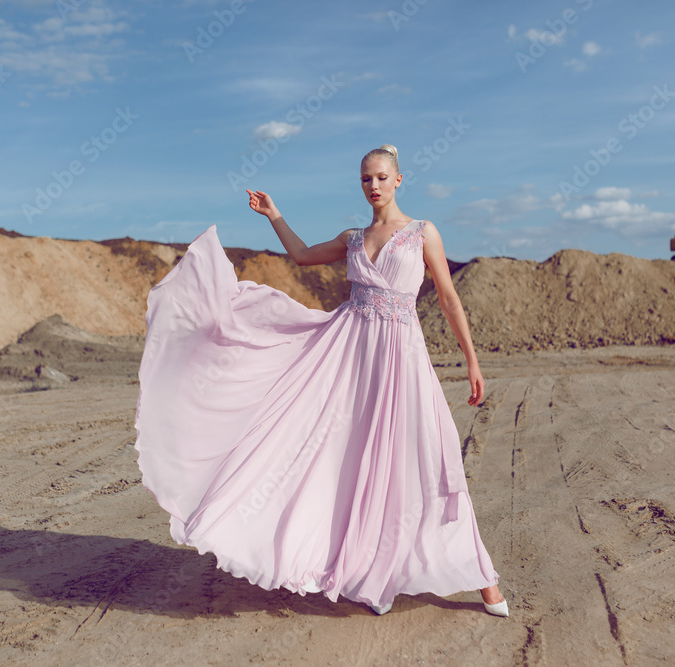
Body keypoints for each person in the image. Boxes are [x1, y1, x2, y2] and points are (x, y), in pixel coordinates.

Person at [134, 143, 507, 617]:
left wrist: (472, 361)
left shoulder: (422, 233)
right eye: (365, 179)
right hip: (350, 354)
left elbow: (450, 299)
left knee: (428, 454)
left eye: (380, 177)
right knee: (344, 457)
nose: (372, 186)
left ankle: (485, 580)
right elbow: (304, 257)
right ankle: (365, 569)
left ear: (398, 180)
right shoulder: (353, 237)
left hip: (401, 358)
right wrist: (274, 215)